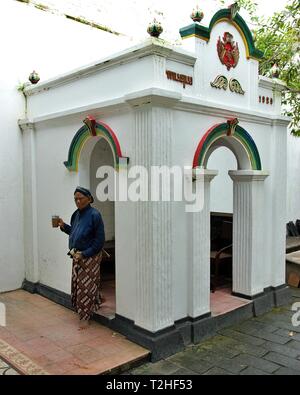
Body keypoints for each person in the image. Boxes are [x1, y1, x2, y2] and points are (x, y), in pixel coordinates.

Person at [57, 186, 105, 328]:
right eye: (75, 199)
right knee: (80, 284)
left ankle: (85, 316)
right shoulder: (75, 214)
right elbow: (75, 232)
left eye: (80, 198)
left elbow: (99, 241)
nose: (77, 201)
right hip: (77, 255)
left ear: (89, 199)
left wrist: (84, 253)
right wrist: (63, 226)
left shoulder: (95, 215)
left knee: (85, 288)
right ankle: (94, 304)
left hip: (90, 256)